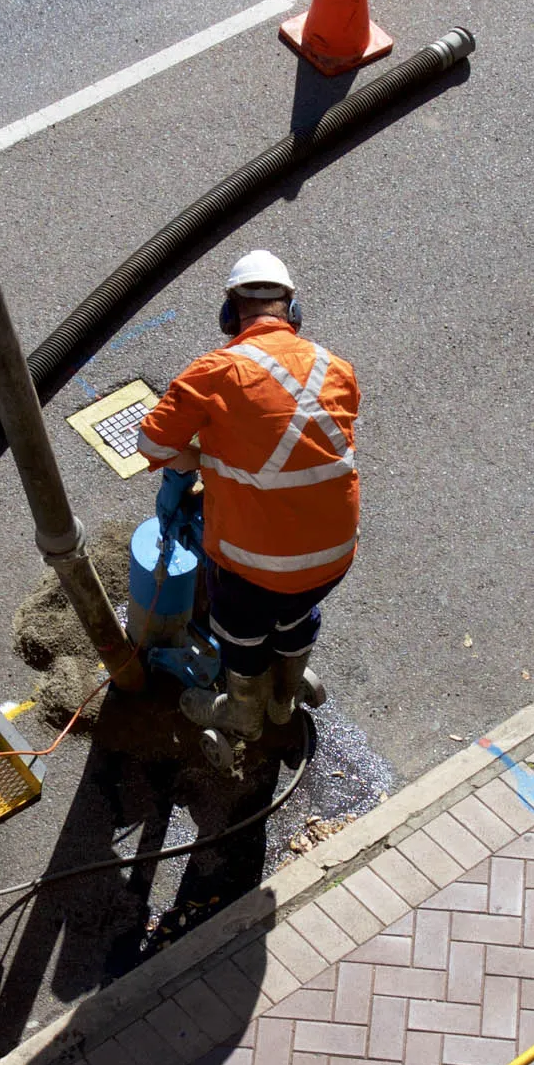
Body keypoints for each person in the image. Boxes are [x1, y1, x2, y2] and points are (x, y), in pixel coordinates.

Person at [135, 250, 360, 766]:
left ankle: (243, 712)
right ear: (293, 311)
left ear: (228, 314)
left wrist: (202, 457)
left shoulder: (214, 373)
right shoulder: (337, 368)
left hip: (251, 565)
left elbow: (152, 445)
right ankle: (284, 699)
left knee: (242, 632)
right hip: (333, 557)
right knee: (296, 612)